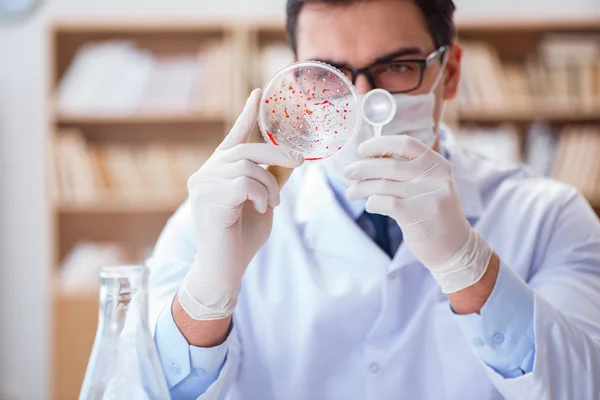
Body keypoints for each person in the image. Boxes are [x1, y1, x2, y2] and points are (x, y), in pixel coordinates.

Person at [147, 1, 600, 399]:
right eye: (330, 73)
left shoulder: (552, 217)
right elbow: (137, 388)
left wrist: (467, 263)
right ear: (300, 83)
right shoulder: (211, 225)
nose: (361, 100)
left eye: (397, 66)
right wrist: (208, 293)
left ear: (451, 73)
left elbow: (582, 387)